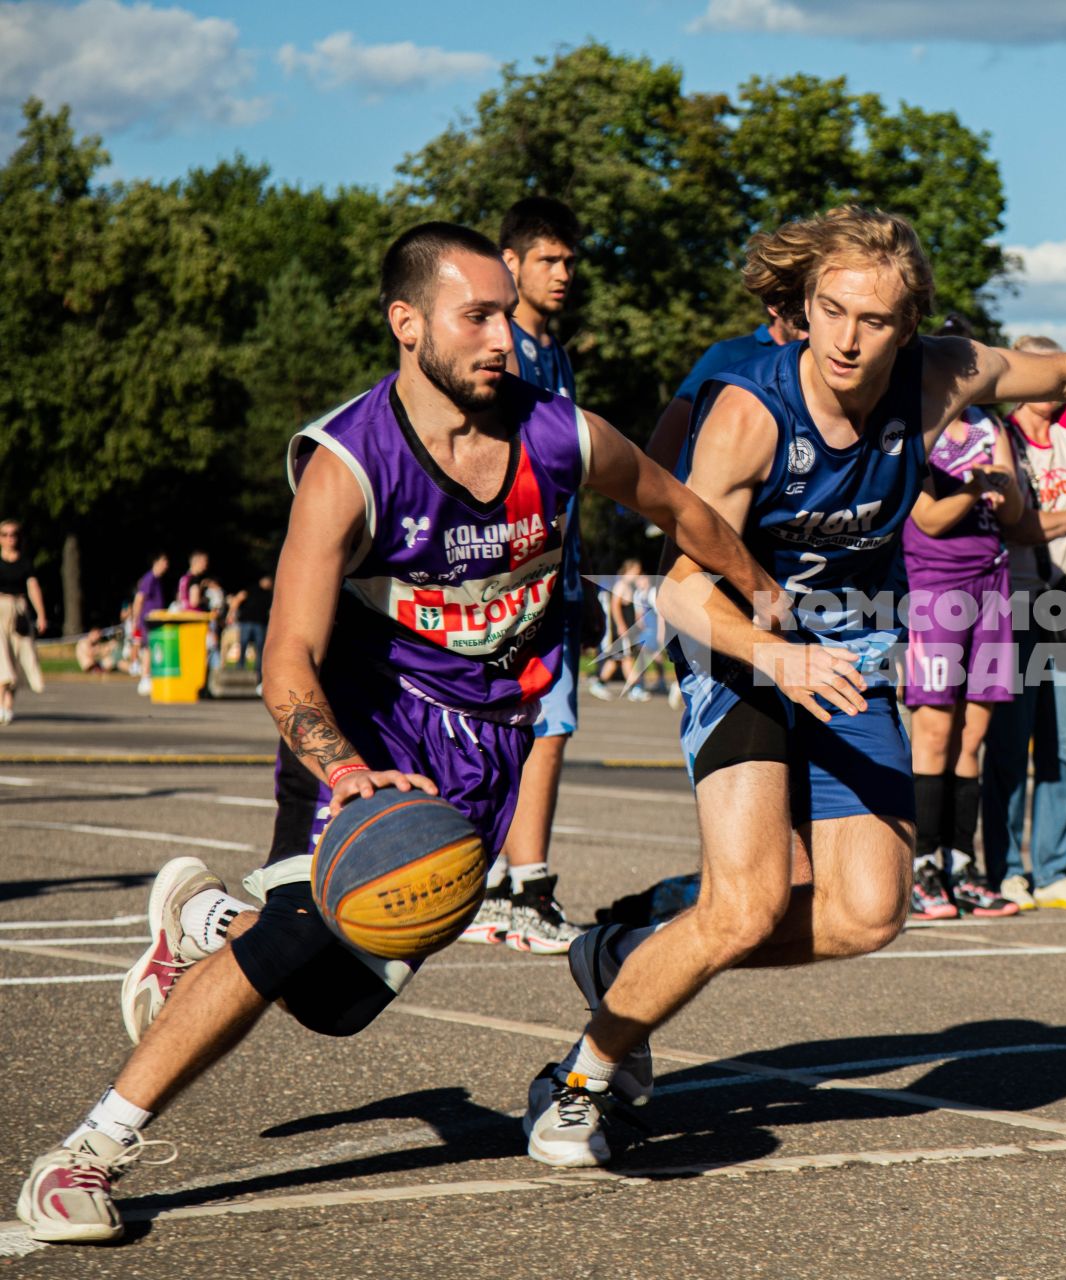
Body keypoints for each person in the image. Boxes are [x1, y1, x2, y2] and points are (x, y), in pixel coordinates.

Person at [14, 221, 778, 1245]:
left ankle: (201, 920)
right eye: (480, 314)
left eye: (509, 312)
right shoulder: (351, 463)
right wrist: (347, 769)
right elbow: (286, 659)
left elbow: (679, 507)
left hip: (491, 746)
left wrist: (765, 594)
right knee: (294, 936)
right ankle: (86, 1149)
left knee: (336, 1004)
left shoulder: (562, 434)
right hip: (373, 734)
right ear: (407, 322)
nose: (505, 335)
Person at [533, 205, 1066, 1167]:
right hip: (742, 650)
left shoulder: (938, 376)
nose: (848, 339)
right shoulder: (749, 418)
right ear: (804, 306)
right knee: (749, 906)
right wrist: (782, 657)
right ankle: (583, 1075)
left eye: (875, 320)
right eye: (832, 311)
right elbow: (681, 593)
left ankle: (633, 946)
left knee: (867, 913)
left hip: (849, 655)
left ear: (911, 322)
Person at [462, 197, 589, 954]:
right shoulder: (502, 347)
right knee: (542, 724)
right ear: (510, 264)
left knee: (547, 725)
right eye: (549, 259)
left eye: (570, 260)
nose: (564, 273)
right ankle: (523, 888)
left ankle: (509, 886)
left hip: (556, 570)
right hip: (509, 575)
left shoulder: (557, 354)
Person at [975, 335, 1066, 912]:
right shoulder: (1000, 436)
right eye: (1038, 370)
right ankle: (1005, 869)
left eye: (1056, 375)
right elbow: (1017, 524)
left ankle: (1054, 869)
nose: (1050, 385)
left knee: (1065, 745)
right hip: (1021, 599)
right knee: (1010, 743)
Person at [901, 391, 1027, 920]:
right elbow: (928, 518)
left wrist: (1005, 489)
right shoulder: (911, 422)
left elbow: (1016, 514)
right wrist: (977, 485)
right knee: (934, 731)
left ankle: (960, 864)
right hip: (936, 585)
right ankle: (921, 865)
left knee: (973, 736)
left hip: (992, 582)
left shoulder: (989, 425)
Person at [646, 303, 807, 471]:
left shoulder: (821, 364)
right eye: (800, 311)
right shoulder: (729, 354)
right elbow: (666, 440)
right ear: (774, 306)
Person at [0, 519, 47, 725]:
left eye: (13, 534)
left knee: (17, 658)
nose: (10, 538)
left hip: (19, 612)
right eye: (5, 534)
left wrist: (41, 614)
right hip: (0, 610)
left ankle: (8, 705)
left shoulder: (25, 563)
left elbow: (33, 587)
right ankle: (0, 703)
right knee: (2, 660)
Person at [589, 558, 644, 700]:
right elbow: (615, 606)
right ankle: (634, 688)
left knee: (616, 660)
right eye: (636, 571)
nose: (638, 574)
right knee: (627, 659)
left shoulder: (630, 586)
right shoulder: (621, 585)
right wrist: (621, 625)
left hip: (626, 629)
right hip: (621, 630)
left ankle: (600, 683)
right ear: (629, 570)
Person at [129, 552, 168, 696]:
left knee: (152, 647)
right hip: (147, 620)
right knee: (147, 648)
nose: (166, 565)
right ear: (156, 561)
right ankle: (145, 678)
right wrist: (136, 620)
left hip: (154, 620)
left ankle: (149, 676)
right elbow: (139, 599)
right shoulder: (149, 578)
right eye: (164, 561)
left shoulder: (157, 580)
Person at [230, 572, 273, 674]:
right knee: (243, 643)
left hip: (260, 623)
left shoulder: (269, 594)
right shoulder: (252, 589)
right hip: (247, 621)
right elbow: (238, 598)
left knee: (260, 646)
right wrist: (232, 613)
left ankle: (258, 668)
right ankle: (240, 666)